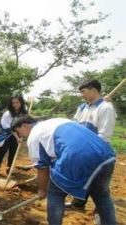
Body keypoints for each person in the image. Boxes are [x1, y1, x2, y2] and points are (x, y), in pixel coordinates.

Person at [11, 116, 116, 225]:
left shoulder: (34, 136)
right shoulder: (58, 120)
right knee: (101, 196)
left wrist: (42, 190)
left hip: (77, 157)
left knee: (55, 193)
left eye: (18, 132)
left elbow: (42, 167)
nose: (21, 136)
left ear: (24, 125)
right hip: (106, 155)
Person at [67, 79, 117, 209]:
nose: (81, 95)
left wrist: (89, 150)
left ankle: (102, 212)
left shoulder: (106, 108)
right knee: (81, 177)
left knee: (99, 185)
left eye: (83, 91)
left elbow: (104, 135)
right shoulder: (82, 107)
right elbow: (75, 126)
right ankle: (78, 203)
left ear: (93, 90)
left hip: (98, 151)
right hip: (82, 150)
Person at [0, 95, 27, 177]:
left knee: (13, 151)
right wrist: (17, 137)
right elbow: (9, 128)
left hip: (17, 133)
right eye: (13, 103)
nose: (15, 104)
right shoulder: (7, 114)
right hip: (5, 134)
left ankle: (9, 169)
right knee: (2, 151)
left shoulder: (23, 113)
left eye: (17, 102)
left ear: (21, 103)